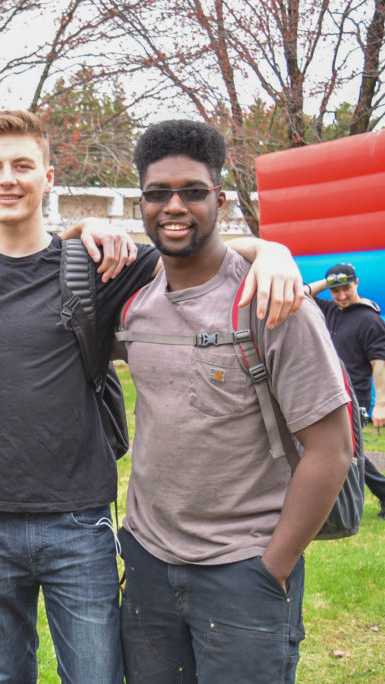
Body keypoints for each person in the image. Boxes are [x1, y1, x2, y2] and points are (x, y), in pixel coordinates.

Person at [0, 110, 304, 683]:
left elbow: (195, 244)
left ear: (48, 177)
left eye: (23, 165)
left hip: (77, 523)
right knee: (1, 676)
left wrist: (272, 251)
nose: (8, 179)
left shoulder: (101, 265)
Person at [116, 119, 353, 683]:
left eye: (193, 192)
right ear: (141, 203)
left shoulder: (270, 299)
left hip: (243, 570)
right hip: (148, 564)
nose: (174, 206)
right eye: (157, 194)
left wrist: (271, 569)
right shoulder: (134, 302)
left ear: (219, 199)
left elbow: (332, 449)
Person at [306, 263, 385, 516]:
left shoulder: (370, 319)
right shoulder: (330, 309)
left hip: (353, 398)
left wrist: (380, 404)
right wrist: (328, 282)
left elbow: (379, 363)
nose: (341, 296)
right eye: (336, 290)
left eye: (346, 289)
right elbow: (302, 293)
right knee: (343, 451)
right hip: (326, 392)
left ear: (357, 284)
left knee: (345, 452)